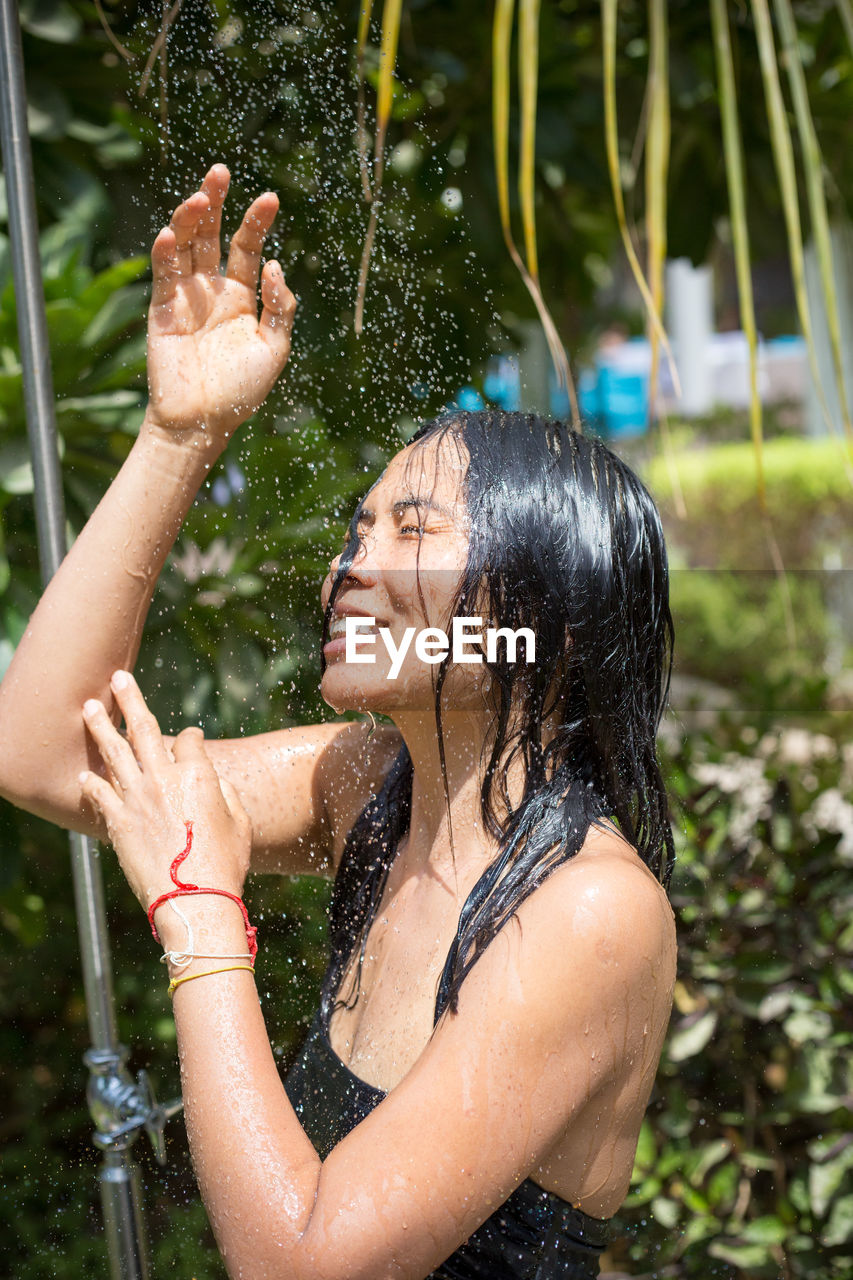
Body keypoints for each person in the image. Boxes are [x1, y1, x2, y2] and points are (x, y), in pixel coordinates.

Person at [0, 164, 678, 1280]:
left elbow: (303, 1261)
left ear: (542, 610)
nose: (348, 566)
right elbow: (44, 756)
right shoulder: (375, 783)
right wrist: (181, 434)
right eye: (355, 530)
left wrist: (200, 915)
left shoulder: (586, 908)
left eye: (410, 527)